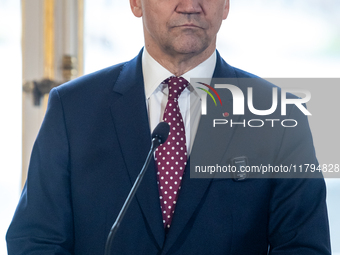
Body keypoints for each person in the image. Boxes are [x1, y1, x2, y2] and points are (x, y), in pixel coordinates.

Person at [7, 0, 331, 254]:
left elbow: (304, 247)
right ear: (136, 2)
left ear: (227, 4)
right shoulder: (73, 108)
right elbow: (35, 241)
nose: (190, 5)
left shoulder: (280, 118)